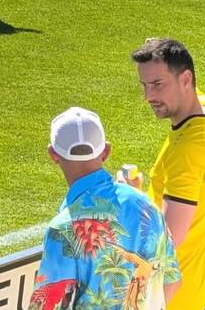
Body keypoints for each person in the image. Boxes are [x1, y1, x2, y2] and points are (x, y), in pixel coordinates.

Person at [31, 107, 180, 310]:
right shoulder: (146, 204)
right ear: (106, 151)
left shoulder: (62, 228)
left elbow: (47, 305)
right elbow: (172, 281)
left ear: (53, 154)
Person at [129, 38, 205, 310]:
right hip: (199, 290)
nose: (148, 96)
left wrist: (129, 200)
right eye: (144, 85)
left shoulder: (189, 151)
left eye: (157, 84)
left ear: (186, 79)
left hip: (175, 300)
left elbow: (169, 238)